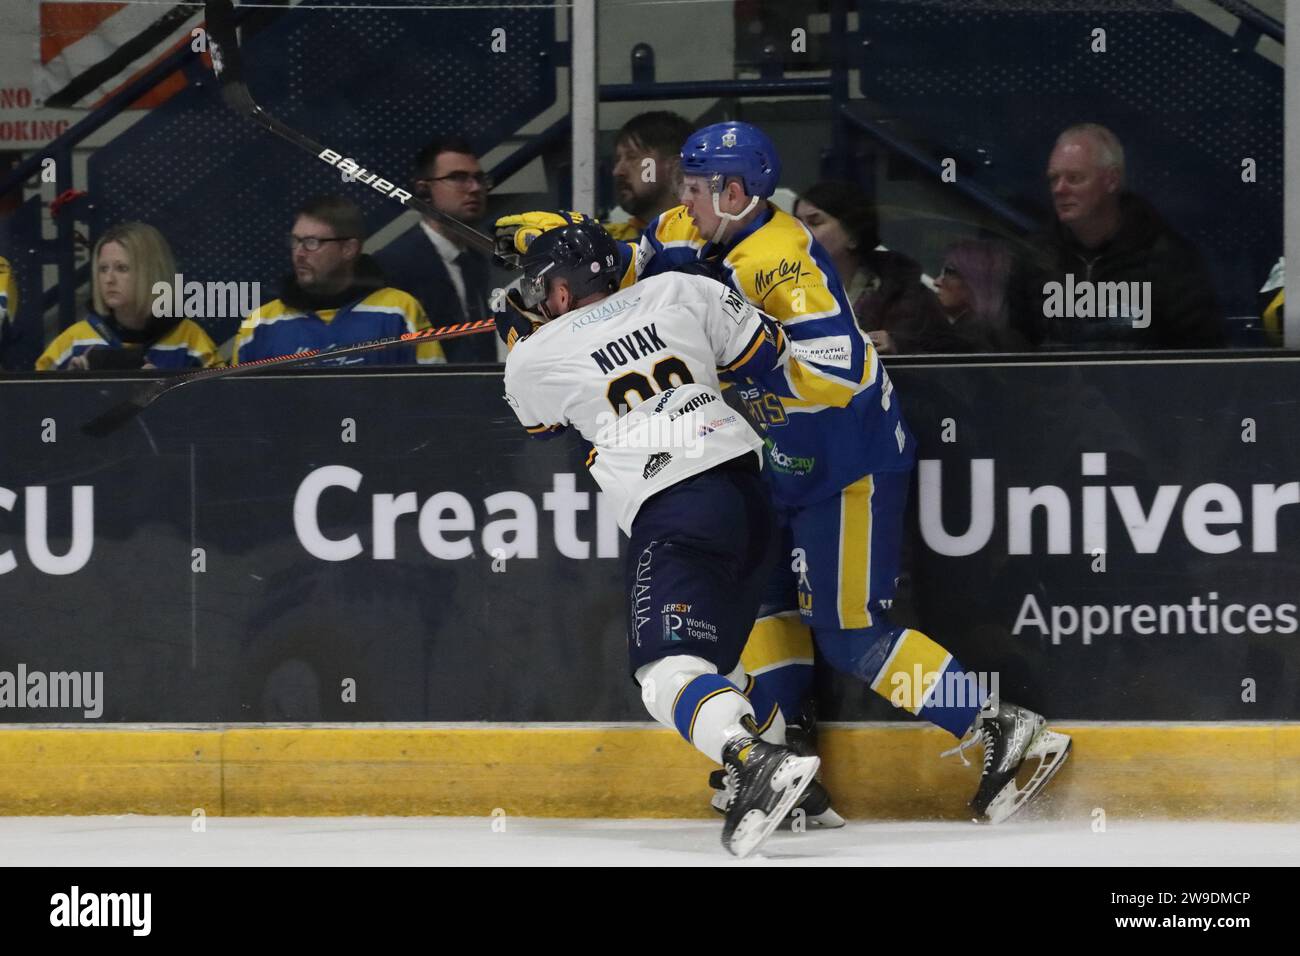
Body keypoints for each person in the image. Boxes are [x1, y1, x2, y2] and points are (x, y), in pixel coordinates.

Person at [496, 122, 1072, 826]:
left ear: (734, 193)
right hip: (756, 464)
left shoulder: (782, 262)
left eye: (697, 188)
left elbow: (840, 371)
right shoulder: (688, 225)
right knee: (759, 614)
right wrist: (564, 244)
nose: (685, 200)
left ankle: (1001, 731)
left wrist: (732, 321)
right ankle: (782, 769)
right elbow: (620, 272)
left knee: (851, 633)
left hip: (844, 460)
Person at [498, 220, 818, 857]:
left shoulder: (533, 356)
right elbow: (767, 350)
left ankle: (750, 760)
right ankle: (803, 787)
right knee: (716, 668)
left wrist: (516, 330)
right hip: (749, 494)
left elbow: (542, 426)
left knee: (663, 672)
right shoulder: (678, 287)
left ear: (558, 294)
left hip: (675, 509)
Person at [1015, 123, 1224, 349]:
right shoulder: (1036, 259)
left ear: (1112, 180)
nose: (1059, 189)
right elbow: (1016, 348)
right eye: (1053, 179)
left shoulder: (1167, 258)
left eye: (1074, 178)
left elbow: (1203, 356)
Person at [235, 196, 443, 366]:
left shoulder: (399, 310)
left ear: (348, 249)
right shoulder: (260, 324)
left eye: (311, 242)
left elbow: (435, 399)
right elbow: (236, 408)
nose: (298, 253)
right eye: (295, 241)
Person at [792, 180, 957, 354]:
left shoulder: (906, 295)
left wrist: (898, 346)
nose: (799, 232)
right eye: (795, 223)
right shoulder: (775, 287)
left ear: (853, 235)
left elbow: (952, 357)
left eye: (815, 222)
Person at [373, 136, 498, 363]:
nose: (475, 188)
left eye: (479, 178)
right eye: (458, 178)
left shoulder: (476, 262)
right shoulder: (394, 263)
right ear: (423, 189)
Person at [36, 222, 218, 371]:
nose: (109, 279)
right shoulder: (75, 340)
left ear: (152, 273)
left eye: (122, 268)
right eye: (103, 269)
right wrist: (70, 387)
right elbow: (34, 405)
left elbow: (221, 407)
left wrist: (165, 393)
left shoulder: (190, 340)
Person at [605, 111, 695, 242]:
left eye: (632, 157)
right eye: (618, 159)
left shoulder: (710, 240)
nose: (618, 171)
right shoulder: (607, 243)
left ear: (675, 168)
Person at [931, 239, 1027, 352]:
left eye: (950, 272)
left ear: (976, 281)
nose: (936, 282)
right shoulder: (1012, 339)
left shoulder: (958, 343)